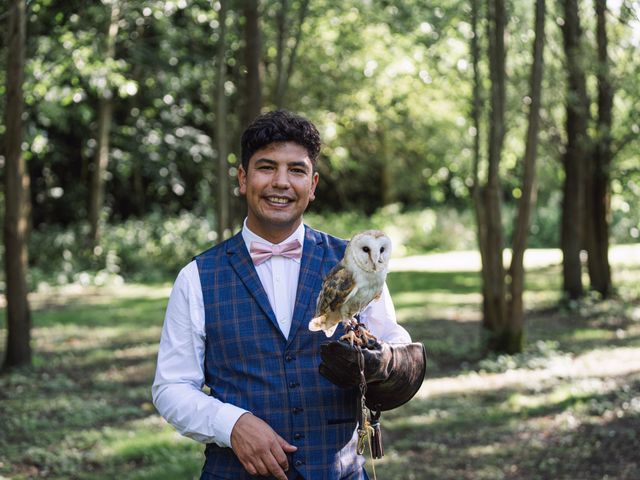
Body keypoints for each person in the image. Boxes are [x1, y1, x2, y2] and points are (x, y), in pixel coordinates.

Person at [152, 110, 424, 480]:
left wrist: (384, 360)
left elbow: (392, 338)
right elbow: (171, 387)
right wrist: (231, 423)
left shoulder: (358, 262)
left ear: (312, 185)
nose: (281, 182)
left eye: (295, 170)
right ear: (243, 178)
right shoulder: (198, 277)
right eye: (266, 167)